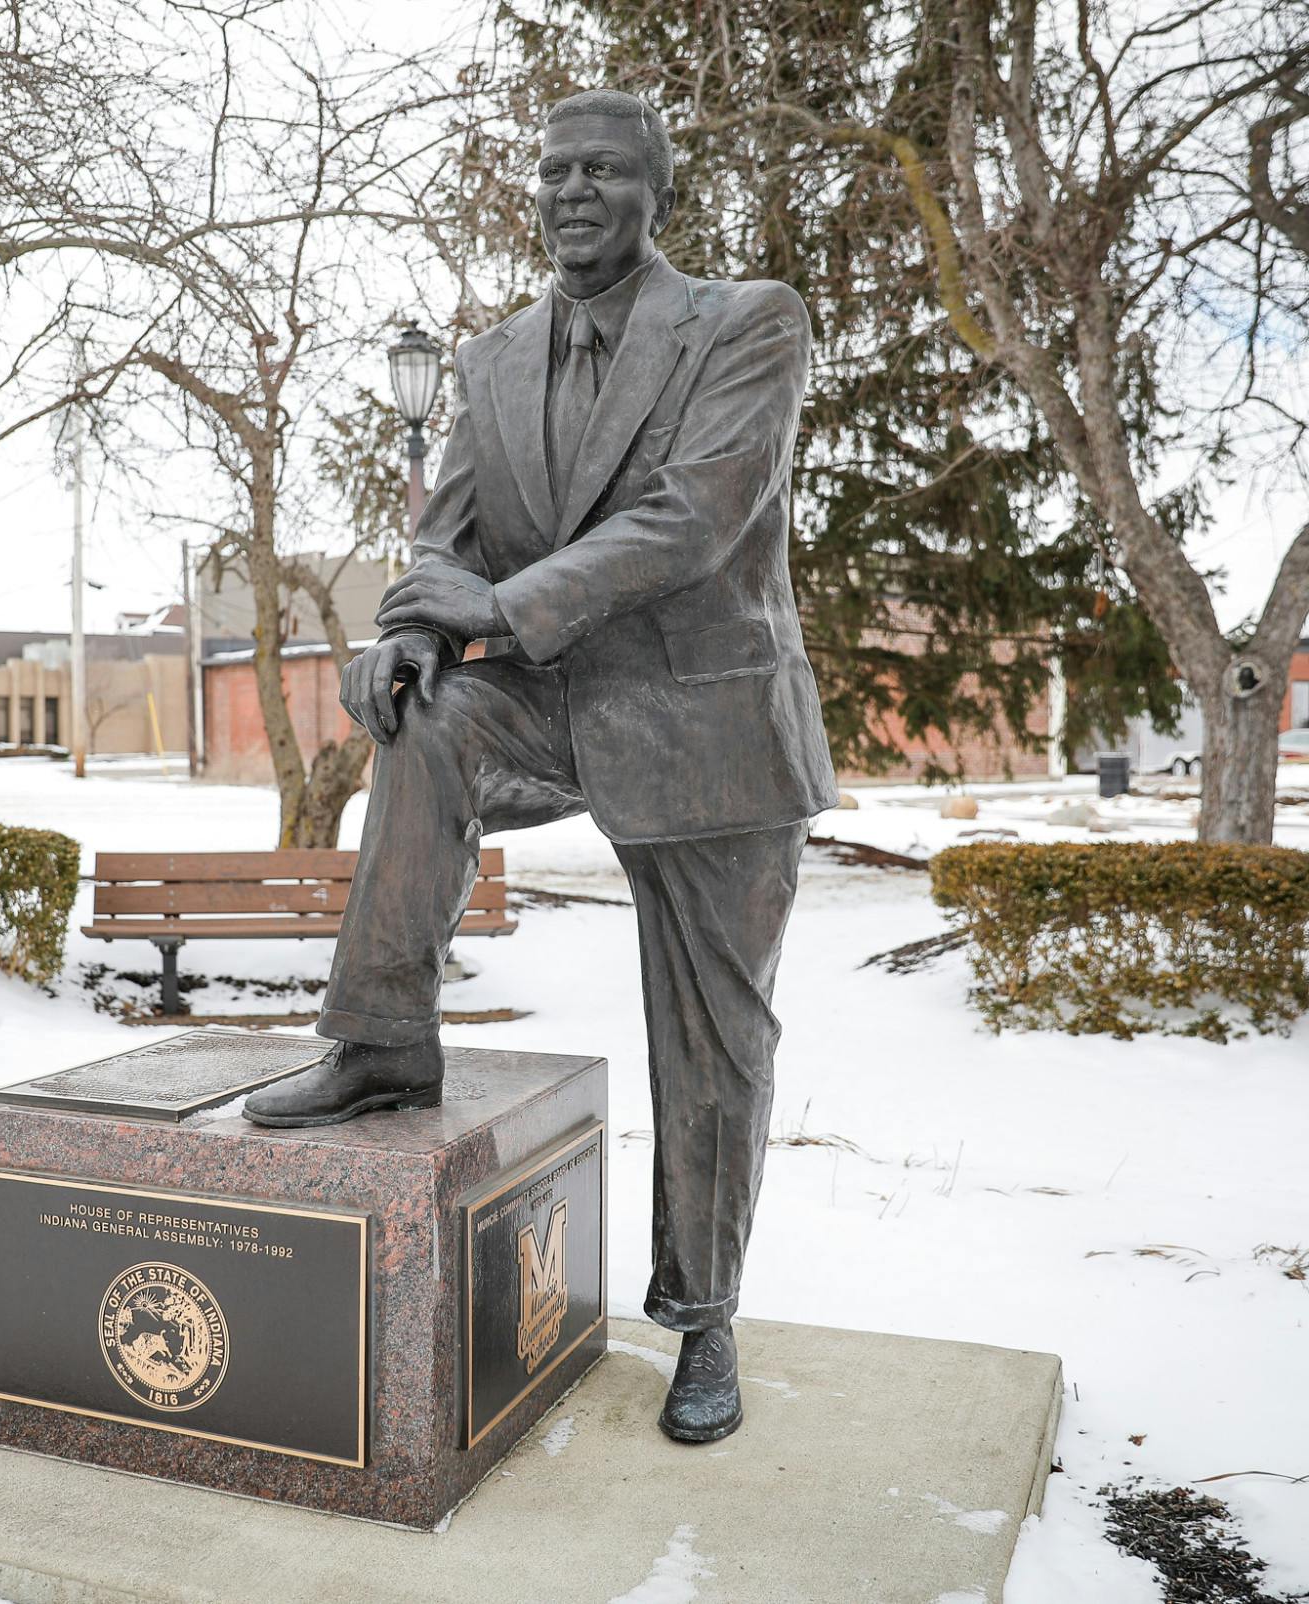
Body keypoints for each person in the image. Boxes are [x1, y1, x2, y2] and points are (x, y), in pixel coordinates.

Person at [243, 88, 838, 1444]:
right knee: (432, 721)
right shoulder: (492, 361)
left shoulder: (747, 322)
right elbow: (445, 537)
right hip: (553, 704)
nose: (576, 192)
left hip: (709, 721)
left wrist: (495, 615)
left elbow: (695, 516)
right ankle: (383, 1042)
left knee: (712, 1041)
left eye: (608, 172)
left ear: (657, 194)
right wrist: (407, 630)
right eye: (557, 171)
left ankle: (703, 1319)